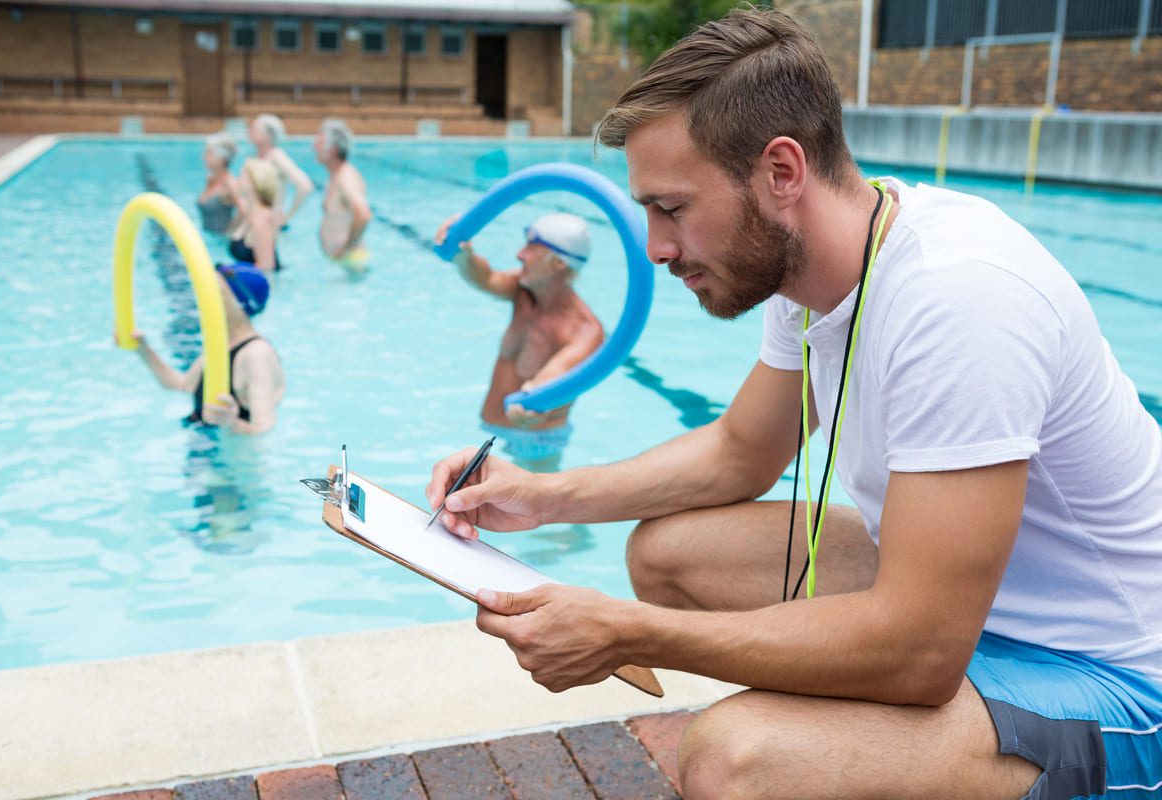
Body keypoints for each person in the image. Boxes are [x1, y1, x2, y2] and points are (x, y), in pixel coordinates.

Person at [425, 9, 1162, 799]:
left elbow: (921, 649)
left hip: (1115, 676)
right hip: (981, 617)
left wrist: (627, 633)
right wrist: (541, 496)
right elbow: (740, 452)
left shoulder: (960, 299)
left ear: (781, 173)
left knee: (737, 759)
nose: (655, 248)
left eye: (672, 208)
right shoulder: (809, 268)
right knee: (668, 554)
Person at [434, 212, 604, 470]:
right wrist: (462, 254)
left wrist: (531, 406)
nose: (520, 254)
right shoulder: (524, 291)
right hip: (489, 429)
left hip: (535, 442)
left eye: (532, 248)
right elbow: (487, 278)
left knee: (530, 511)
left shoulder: (583, 332)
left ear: (558, 263)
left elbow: (544, 386)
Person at [126, 262, 284, 434]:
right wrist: (142, 349)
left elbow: (264, 427)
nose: (203, 299)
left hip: (232, 457)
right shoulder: (221, 344)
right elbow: (181, 386)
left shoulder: (255, 354)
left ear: (239, 304)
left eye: (216, 293)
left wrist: (231, 422)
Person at [315, 118, 372, 270]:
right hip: (343, 262)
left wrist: (347, 247)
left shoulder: (346, 178)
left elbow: (363, 214)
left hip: (350, 262)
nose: (314, 147)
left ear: (333, 150)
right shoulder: (336, 176)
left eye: (319, 143)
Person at [248, 113, 314, 228]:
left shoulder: (276, 156)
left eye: (255, 129)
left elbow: (305, 186)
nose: (250, 131)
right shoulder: (256, 157)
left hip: (271, 225)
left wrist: (287, 216)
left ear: (268, 134)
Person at [228, 158, 282, 273]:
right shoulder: (250, 213)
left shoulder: (261, 219)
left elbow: (267, 268)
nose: (237, 180)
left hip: (260, 285)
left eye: (242, 176)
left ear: (255, 181)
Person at [196, 133, 239, 236]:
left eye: (208, 154)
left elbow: (245, 211)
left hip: (222, 243)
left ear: (222, 158)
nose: (203, 158)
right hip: (208, 239)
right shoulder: (210, 179)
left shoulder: (230, 183)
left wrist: (231, 232)